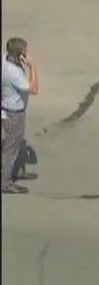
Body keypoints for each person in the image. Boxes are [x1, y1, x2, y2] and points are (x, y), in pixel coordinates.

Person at [2, 38, 40, 195]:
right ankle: (5, 182)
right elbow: (33, 88)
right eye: (25, 50)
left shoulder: (4, 59)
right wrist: (33, 67)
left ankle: (16, 170)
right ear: (20, 54)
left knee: (17, 143)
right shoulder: (14, 73)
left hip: (9, 108)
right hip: (14, 112)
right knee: (11, 147)